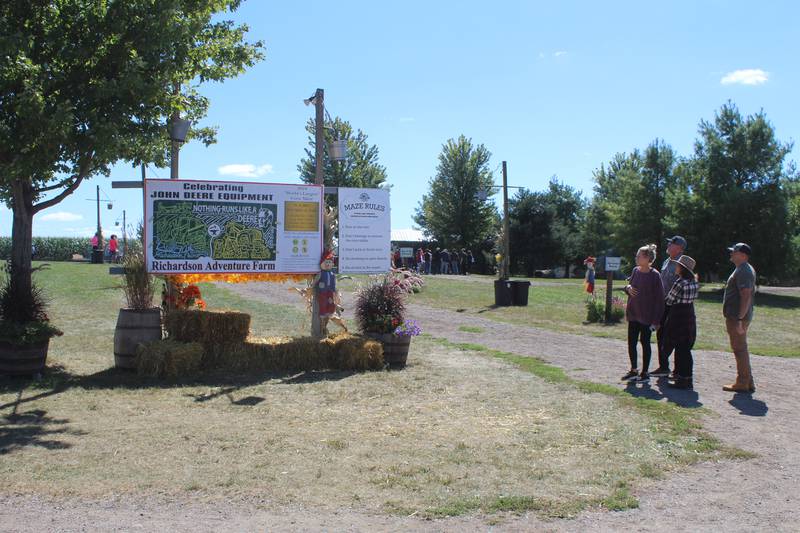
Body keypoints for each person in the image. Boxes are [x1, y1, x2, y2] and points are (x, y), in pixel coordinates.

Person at [622, 244, 664, 382]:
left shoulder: (655, 275)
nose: (636, 258)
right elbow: (629, 285)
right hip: (633, 313)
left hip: (647, 317)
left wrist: (656, 321)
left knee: (645, 343)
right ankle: (634, 370)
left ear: (647, 258)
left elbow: (659, 300)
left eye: (639, 256)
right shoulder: (635, 271)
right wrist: (627, 287)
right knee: (631, 342)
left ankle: (645, 373)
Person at [722, 243, 757, 393]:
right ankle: (748, 381)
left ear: (743, 255)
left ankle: (742, 382)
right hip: (737, 317)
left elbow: (746, 294)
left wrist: (741, 319)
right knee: (741, 348)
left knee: (739, 349)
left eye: (734, 252)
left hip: (738, 318)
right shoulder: (742, 268)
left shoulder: (744, 270)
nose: (731, 254)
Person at [662, 256, 699, 389]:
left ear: (682, 268)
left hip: (678, 316)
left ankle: (683, 379)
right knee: (685, 348)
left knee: (680, 348)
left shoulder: (680, 282)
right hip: (689, 315)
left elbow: (669, 300)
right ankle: (682, 375)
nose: (676, 267)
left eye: (678, 265)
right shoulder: (694, 282)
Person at [652, 235, 687, 377]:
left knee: (674, 337)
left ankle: (678, 370)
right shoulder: (667, 260)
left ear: (679, 248)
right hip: (663, 303)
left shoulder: (682, 263)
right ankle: (664, 366)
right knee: (661, 334)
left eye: (671, 244)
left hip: (675, 305)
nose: (668, 246)